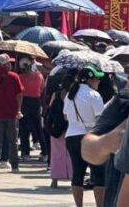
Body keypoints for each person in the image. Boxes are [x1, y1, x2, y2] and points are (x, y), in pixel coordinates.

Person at [63, 66, 106, 207]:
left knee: (78, 173)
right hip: (90, 136)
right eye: (96, 79)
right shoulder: (94, 95)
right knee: (98, 174)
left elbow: (65, 116)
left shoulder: (70, 95)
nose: (98, 81)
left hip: (72, 135)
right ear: (89, 80)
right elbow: (100, 119)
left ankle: (79, 205)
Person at [18, 57, 47, 161]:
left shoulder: (19, 77)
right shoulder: (39, 76)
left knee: (23, 129)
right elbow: (42, 89)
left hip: (24, 102)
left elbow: (18, 92)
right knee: (38, 128)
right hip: (36, 101)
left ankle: (25, 153)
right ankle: (45, 152)